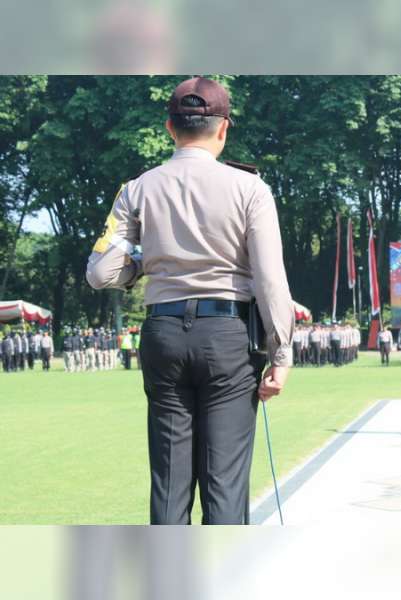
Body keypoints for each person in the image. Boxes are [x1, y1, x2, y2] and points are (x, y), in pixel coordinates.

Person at [86, 77, 294, 525]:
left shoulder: (136, 189)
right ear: (224, 128)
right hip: (228, 335)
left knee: (169, 480)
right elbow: (270, 280)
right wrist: (281, 354)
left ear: (169, 127)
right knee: (224, 482)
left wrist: (145, 263)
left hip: (162, 333)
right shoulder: (250, 188)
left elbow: (101, 273)